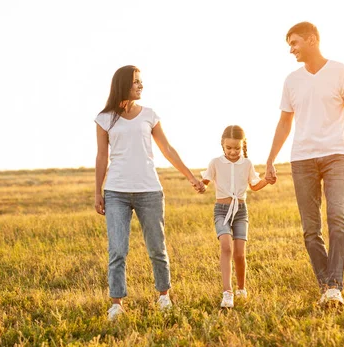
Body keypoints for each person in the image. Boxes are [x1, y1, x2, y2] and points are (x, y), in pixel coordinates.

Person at [265, 22, 344, 306]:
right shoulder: (291, 80)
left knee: (338, 218)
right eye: (289, 44)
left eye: (295, 42)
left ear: (312, 40)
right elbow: (285, 122)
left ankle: (334, 285)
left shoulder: (340, 71)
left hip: (336, 155)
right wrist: (271, 159)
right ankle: (328, 287)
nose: (291, 49)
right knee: (311, 230)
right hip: (302, 160)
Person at [94, 65, 205, 321]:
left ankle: (164, 296)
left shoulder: (150, 115)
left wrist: (190, 177)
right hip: (116, 192)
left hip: (150, 191)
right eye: (135, 82)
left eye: (141, 81)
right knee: (117, 250)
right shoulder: (104, 118)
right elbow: (102, 156)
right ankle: (117, 304)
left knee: (157, 247)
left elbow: (167, 149)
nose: (140, 85)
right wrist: (97, 192)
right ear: (123, 84)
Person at [201, 125, 268, 308]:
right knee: (225, 246)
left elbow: (254, 186)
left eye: (237, 148)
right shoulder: (215, 162)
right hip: (221, 210)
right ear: (222, 145)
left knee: (239, 253)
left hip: (240, 211)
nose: (232, 152)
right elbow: (205, 181)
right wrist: (201, 186)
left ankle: (241, 289)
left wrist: (267, 180)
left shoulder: (247, 164)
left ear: (243, 145)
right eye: (229, 148)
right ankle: (227, 292)